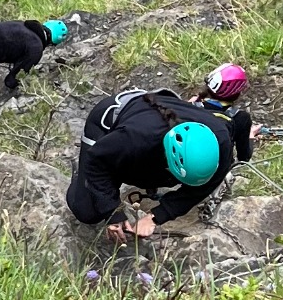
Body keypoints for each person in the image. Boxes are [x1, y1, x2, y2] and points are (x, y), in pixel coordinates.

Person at [65, 88, 235, 241]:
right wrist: (113, 212)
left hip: (157, 126)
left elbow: (200, 190)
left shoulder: (222, 145)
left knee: (152, 174)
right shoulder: (134, 138)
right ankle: (80, 178)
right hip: (112, 119)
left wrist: (154, 217)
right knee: (87, 211)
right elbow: (96, 161)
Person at [196, 63, 260, 163]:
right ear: (237, 93)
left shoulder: (190, 106)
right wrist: (250, 135)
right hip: (218, 170)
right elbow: (244, 157)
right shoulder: (241, 118)